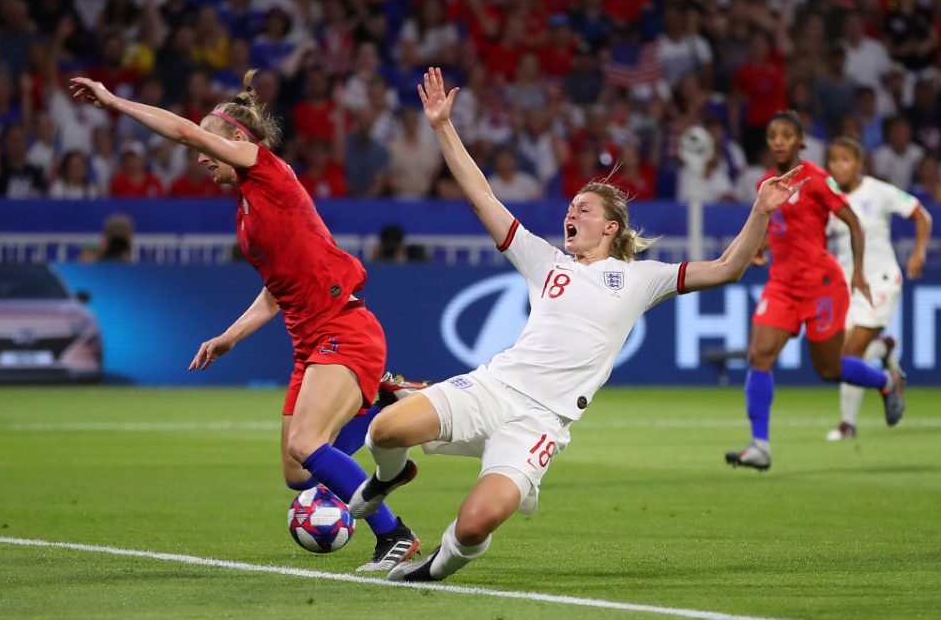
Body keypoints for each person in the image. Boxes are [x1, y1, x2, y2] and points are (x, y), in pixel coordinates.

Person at [347, 67, 808, 583]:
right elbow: (482, 196)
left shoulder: (641, 279)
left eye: (583, 209)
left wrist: (761, 210)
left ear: (610, 227)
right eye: (570, 206)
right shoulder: (546, 263)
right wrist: (442, 127)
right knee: (383, 430)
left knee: (477, 523)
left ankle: (434, 568)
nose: (572, 212)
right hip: (494, 386)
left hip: (541, 422)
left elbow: (727, 268)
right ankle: (391, 477)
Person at [68, 70, 421, 572]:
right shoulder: (248, 212)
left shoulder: (269, 171)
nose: (199, 155)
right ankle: (377, 405)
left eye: (209, 142)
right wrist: (229, 336)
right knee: (298, 473)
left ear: (238, 139)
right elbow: (276, 292)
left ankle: (395, 536)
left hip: (343, 329)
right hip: (310, 342)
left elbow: (185, 131)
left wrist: (112, 101)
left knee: (306, 442)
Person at [724, 111, 906, 470]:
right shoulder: (765, 183)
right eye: (773, 134)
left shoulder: (818, 179)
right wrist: (760, 247)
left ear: (800, 142)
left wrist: (857, 273)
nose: (778, 141)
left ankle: (885, 381)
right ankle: (760, 445)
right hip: (782, 285)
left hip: (821, 285)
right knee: (759, 354)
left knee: (829, 369)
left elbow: (853, 222)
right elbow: (774, 225)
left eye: (786, 135)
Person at [824, 137, 932, 440]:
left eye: (846, 159)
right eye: (833, 160)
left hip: (881, 280)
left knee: (851, 351)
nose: (839, 166)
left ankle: (847, 425)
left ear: (858, 164)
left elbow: (921, 215)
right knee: (839, 358)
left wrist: (918, 251)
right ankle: (885, 351)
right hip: (847, 284)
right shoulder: (829, 199)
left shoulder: (878, 191)